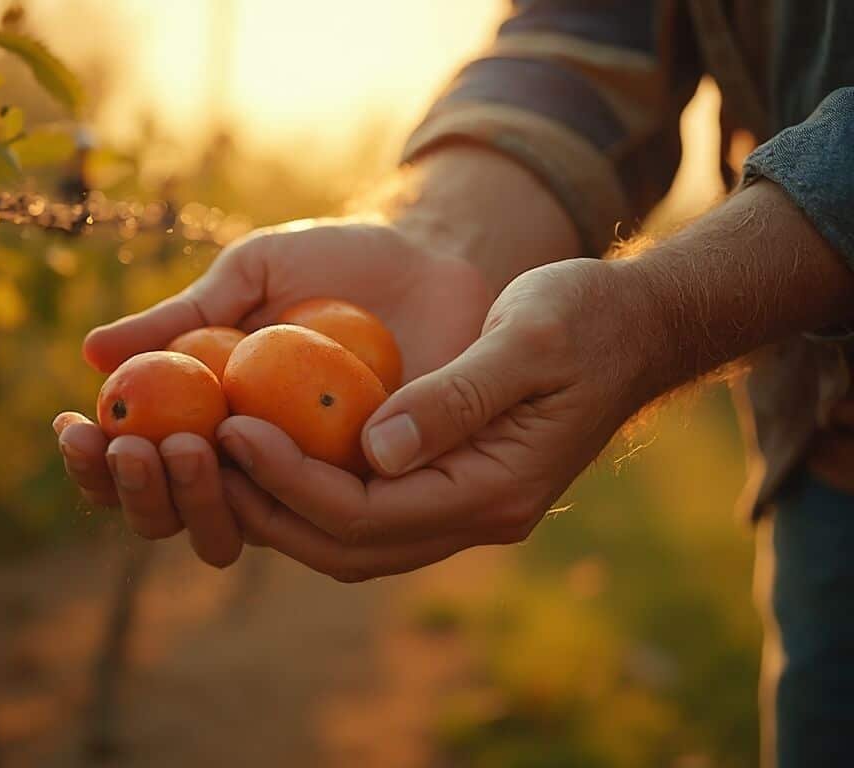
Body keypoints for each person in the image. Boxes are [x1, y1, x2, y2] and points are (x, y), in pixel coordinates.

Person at [53, 3, 854, 765]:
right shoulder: (262, 359)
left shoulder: (275, 358)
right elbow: (591, 22)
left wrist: (664, 309)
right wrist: (442, 232)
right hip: (825, 447)